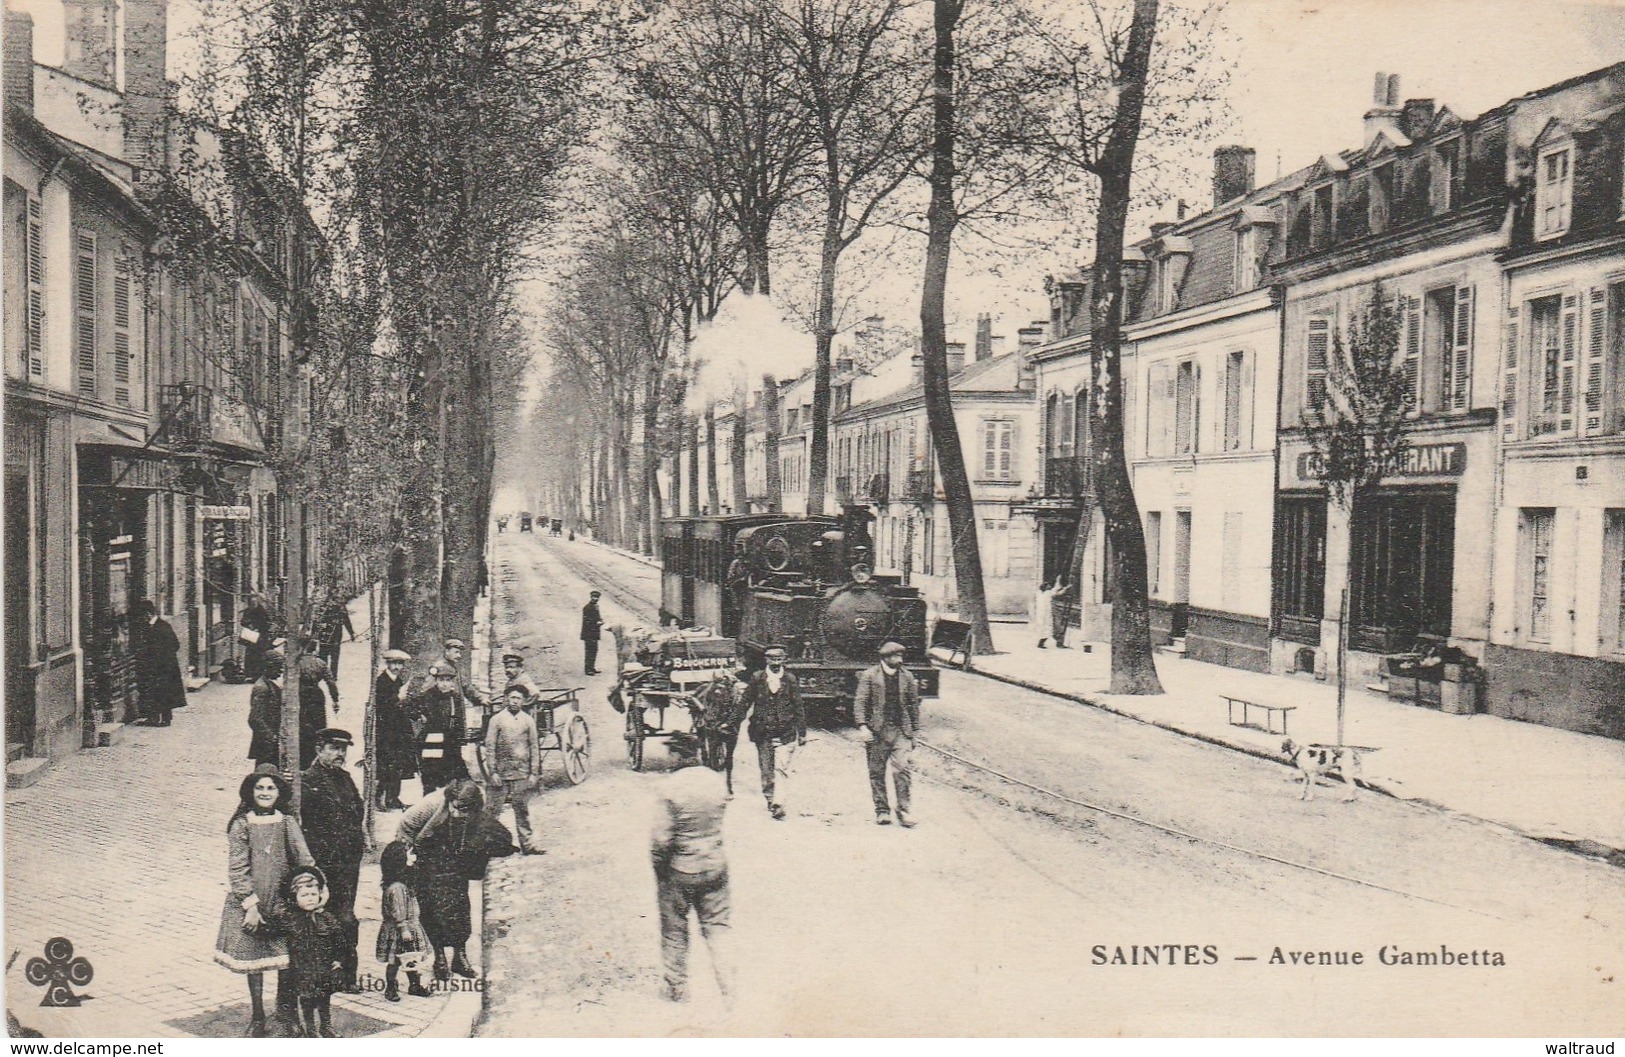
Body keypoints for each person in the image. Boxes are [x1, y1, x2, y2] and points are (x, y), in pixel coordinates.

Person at [213, 767, 315, 1038]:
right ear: (251, 791)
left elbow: (304, 861)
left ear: (279, 793)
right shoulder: (241, 824)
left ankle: (287, 1015)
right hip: (252, 905)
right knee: (254, 962)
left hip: (283, 904)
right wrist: (250, 905)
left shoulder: (287, 823)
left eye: (271, 788)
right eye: (260, 788)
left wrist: (307, 893)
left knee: (287, 962)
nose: (265, 793)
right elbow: (238, 868)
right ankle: (257, 1016)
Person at [397, 779, 515, 980]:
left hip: (454, 859)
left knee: (459, 907)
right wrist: (406, 860)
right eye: (457, 808)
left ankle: (460, 957)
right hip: (427, 856)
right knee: (432, 908)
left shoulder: (476, 806)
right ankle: (440, 958)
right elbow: (404, 830)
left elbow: (493, 831)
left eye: (466, 810)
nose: (460, 814)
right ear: (449, 800)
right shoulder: (430, 805)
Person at [651, 751, 734, 1005]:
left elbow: (661, 840)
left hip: (681, 870)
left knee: (675, 931)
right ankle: (730, 989)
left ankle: (677, 989)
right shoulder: (715, 781)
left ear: (676, 757)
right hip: (715, 866)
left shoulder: (669, 788)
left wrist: (660, 872)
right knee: (718, 930)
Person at [299, 729, 365, 993]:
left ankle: (347, 974)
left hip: (348, 861)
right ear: (319, 749)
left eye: (343, 749)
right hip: (323, 863)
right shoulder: (307, 781)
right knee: (325, 917)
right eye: (334, 748)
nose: (340, 754)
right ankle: (326, 973)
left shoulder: (345, 778)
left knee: (346, 917)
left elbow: (357, 810)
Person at [731, 645, 805, 821]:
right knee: (766, 769)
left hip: (786, 731)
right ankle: (770, 798)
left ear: (784, 660)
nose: (776, 662)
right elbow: (745, 703)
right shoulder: (757, 678)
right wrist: (732, 722)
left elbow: (798, 706)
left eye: (779, 659)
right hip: (763, 731)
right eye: (772, 659)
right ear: (766, 660)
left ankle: (778, 803)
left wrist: (802, 732)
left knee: (781, 768)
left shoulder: (790, 679)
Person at [853, 641, 921, 827]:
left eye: (901, 656)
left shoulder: (907, 676)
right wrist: (862, 726)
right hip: (878, 731)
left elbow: (913, 705)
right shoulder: (870, 676)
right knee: (876, 771)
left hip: (901, 730)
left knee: (902, 769)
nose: (900, 660)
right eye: (896, 656)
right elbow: (860, 702)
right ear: (885, 657)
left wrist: (915, 731)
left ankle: (904, 811)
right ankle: (882, 810)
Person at [275, 865, 345, 1037]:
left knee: (325, 997)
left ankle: (326, 1026)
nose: (310, 899)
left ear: (320, 894)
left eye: (313, 894)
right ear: (294, 897)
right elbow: (272, 929)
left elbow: (340, 939)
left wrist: (338, 959)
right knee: (307, 999)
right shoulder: (290, 919)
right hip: (302, 970)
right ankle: (311, 1029)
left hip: (324, 967)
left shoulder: (326, 918)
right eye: (304, 895)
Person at [483, 687, 542, 855]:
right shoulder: (497, 720)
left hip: (521, 774)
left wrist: (533, 773)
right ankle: (486, 846)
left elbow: (534, 747)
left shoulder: (528, 720)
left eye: (518, 698)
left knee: (522, 810)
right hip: (500, 775)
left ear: (523, 701)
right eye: (512, 697)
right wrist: (492, 772)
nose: (515, 701)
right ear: (506, 699)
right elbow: (490, 747)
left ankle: (528, 845)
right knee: (491, 811)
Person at [376, 841, 432, 1002]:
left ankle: (415, 985)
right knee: (396, 961)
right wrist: (404, 929)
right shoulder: (397, 888)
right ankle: (391, 988)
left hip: (409, 927)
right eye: (409, 854)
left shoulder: (404, 882)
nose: (413, 857)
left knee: (410, 958)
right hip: (401, 929)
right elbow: (398, 912)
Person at [410, 663, 469, 796]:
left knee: (450, 780)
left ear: (452, 682)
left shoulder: (455, 698)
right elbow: (410, 708)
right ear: (436, 680)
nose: (444, 684)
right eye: (441, 680)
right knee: (429, 780)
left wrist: (460, 740)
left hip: (449, 743)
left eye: (448, 680)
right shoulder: (427, 696)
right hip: (430, 742)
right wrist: (420, 716)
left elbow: (459, 720)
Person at [374, 649, 418, 810]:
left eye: (400, 664)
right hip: (386, 731)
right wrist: (397, 698)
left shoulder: (398, 681)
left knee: (397, 765)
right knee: (386, 765)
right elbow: (381, 706)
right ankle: (379, 798)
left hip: (398, 731)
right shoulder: (381, 682)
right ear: (388, 663)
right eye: (395, 663)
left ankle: (393, 798)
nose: (397, 667)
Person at [131, 599, 186, 727]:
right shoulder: (148, 627)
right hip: (154, 666)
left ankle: (165, 719)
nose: (142, 619)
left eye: (143, 616)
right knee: (154, 692)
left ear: (148, 614)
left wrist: (160, 657)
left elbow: (175, 645)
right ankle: (153, 718)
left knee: (164, 692)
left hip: (165, 667)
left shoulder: (163, 627)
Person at [295, 640, 340, 769]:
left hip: (300, 696)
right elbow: (331, 683)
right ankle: (315, 757)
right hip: (316, 697)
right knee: (318, 729)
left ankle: (302, 759)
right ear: (315, 649)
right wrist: (335, 700)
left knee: (302, 728)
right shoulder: (321, 663)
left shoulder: (296, 663)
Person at [247, 654, 287, 769]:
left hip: (269, 740)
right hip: (266, 742)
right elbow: (254, 719)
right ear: (268, 667)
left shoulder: (269, 684)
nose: (280, 671)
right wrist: (272, 738)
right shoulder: (261, 688)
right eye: (278, 667)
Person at [441, 638, 489, 713]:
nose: (459, 656)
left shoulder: (454, 669)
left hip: (455, 710)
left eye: (459, 653)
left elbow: (466, 687)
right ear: (447, 652)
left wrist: (480, 699)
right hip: (443, 711)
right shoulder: (439, 669)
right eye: (456, 652)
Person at [314, 599, 356, 679]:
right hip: (329, 636)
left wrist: (351, 633)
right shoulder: (327, 606)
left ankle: (329, 675)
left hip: (331, 636)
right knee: (329, 656)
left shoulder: (325, 604)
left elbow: (346, 620)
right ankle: (330, 675)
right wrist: (351, 633)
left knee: (328, 656)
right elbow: (317, 621)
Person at [240, 594, 273, 681]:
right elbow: (243, 622)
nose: (253, 603)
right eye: (251, 602)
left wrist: (259, 628)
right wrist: (249, 625)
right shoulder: (247, 611)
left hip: (261, 638)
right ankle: (250, 675)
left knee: (259, 657)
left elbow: (268, 623)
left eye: (255, 602)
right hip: (251, 638)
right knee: (250, 656)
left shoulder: (262, 611)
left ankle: (258, 676)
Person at [1033, 579, 1072, 649]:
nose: (1050, 587)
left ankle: (1041, 643)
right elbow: (1058, 592)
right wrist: (1066, 587)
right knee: (1048, 629)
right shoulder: (1048, 593)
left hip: (1041, 614)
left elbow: (1055, 590)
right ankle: (1044, 643)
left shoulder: (1039, 593)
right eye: (1049, 586)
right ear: (1046, 587)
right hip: (1047, 613)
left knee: (1044, 629)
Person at [581, 591, 604, 675]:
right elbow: (587, 622)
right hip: (589, 634)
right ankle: (588, 669)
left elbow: (597, 617)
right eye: (594, 597)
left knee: (594, 651)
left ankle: (592, 667)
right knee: (589, 652)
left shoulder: (595, 607)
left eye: (597, 597)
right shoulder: (587, 607)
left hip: (594, 633)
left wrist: (601, 620)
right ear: (591, 597)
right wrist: (596, 623)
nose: (595, 599)